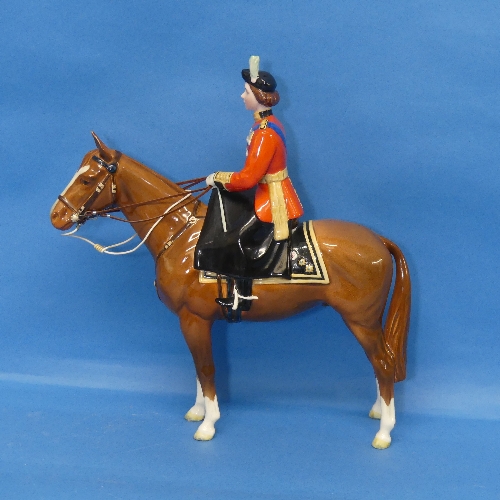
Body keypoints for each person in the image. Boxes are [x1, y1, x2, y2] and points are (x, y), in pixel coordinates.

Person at [199, 56, 304, 311]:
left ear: (259, 96)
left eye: (246, 92)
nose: (241, 96)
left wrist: (219, 178)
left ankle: (241, 294)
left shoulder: (265, 132)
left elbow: (248, 179)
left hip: (273, 198)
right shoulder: (264, 125)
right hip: (266, 189)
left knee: (234, 236)